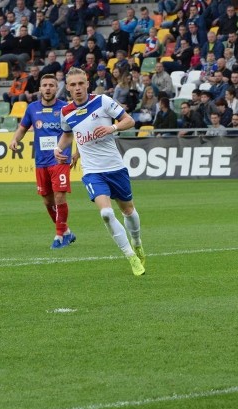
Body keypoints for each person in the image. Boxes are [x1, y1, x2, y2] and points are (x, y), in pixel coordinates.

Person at [54, 68, 146, 276]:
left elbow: (129, 121)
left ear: (87, 83)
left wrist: (112, 128)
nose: (77, 88)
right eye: (73, 85)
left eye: (80, 83)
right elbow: (68, 135)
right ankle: (130, 256)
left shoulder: (102, 101)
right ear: (67, 88)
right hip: (92, 171)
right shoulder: (66, 112)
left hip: (115, 167)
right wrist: (58, 149)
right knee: (105, 213)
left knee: (128, 210)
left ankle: (137, 242)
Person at [10, 74, 76, 249]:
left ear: (57, 88)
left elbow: (77, 132)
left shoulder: (66, 108)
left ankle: (59, 236)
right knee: (48, 201)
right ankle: (67, 231)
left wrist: (76, 153)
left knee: (60, 196)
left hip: (60, 159)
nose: (48, 88)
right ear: (40, 88)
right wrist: (15, 139)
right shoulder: (32, 108)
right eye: (45, 85)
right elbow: (23, 128)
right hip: (41, 161)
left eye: (51, 85)